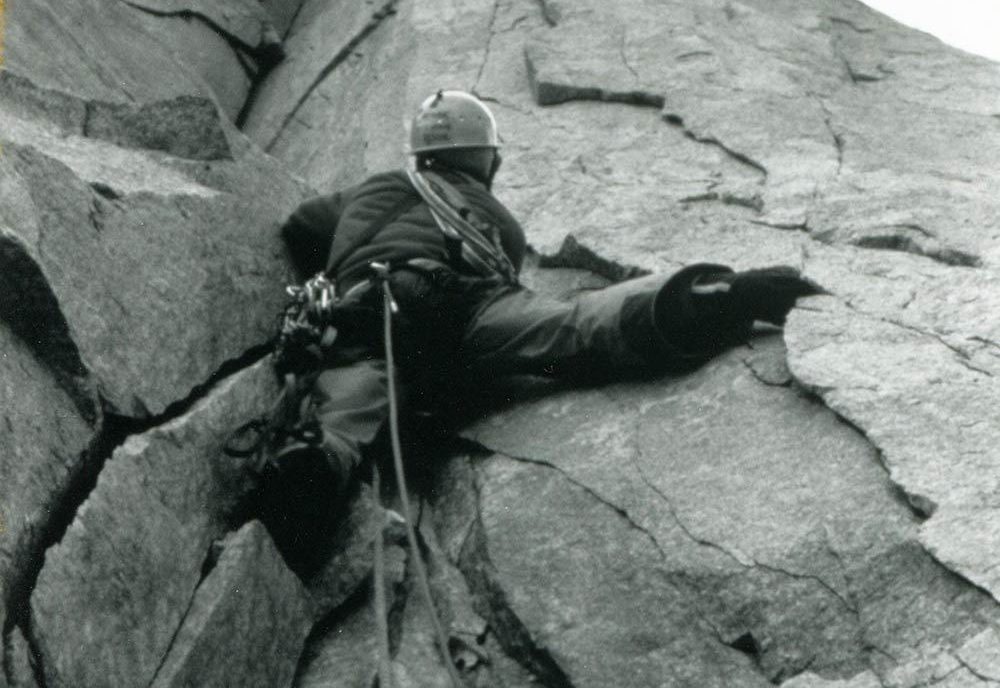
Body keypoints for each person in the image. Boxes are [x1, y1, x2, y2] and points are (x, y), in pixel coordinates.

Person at [262, 90, 823, 573]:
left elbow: (299, 225)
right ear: (485, 158)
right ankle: (701, 298)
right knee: (570, 327)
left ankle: (317, 464)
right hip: (466, 308)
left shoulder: (373, 188)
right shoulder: (500, 222)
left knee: (352, 399)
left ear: (421, 153)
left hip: (369, 314)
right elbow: (498, 274)